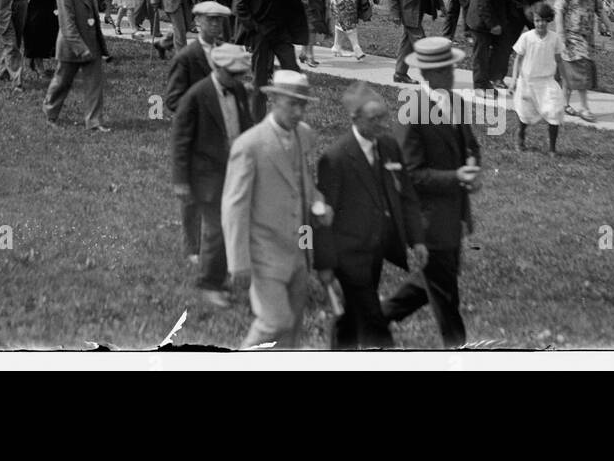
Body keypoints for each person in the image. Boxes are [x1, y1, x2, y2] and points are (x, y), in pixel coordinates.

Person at [383, 37, 480, 349]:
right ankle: (459, 350)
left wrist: (472, 167)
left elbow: (470, 146)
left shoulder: (457, 102)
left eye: (450, 67)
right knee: (444, 292)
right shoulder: (411, 114)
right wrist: (456, 176)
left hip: (452, 215)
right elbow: (410, 175)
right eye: (444, 69)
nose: (452, 73)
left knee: (430, 283)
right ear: (427, 74)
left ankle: (369, 319)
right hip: (427, 220)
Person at [221, 70, 328, 350]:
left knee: (292, 327)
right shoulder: (250, 145)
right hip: (263, 252)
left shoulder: (304, 135)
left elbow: (303, 181)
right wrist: (238, 261)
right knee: (275, 321)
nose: (299, 112)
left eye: (303, 105)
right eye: (292, 104)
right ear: (273, 100)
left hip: (297, 252)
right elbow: (234, 207)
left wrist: (317, 203)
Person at [315, 82, 428, 350]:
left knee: (353, 316)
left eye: (384, 117)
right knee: (373, 319)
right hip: (348, 255)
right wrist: (323, 264)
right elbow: (318, 218)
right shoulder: (336, 158)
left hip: (376, 250)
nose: (383, 124)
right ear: (355, 119)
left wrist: (418, 240)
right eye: (374, 119)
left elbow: (407, 196)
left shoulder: (388, 145)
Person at [172, 43, 257, 309]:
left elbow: (246, 127)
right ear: (217, 69)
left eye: (241, 75)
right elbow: (180, 142)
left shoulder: (239, 90)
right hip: (204, 176)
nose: (238, 80)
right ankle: (209, 283)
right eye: (233, 75)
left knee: (236, 224)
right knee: (217, 228)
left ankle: (232, 270)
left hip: (234, 171)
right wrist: (181, 181)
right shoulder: (196, 96)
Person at [235, 0, 307, 120]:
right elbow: (240, 6)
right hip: (261, 35)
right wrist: (254, 28)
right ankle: (256, 119)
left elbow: (292, 3)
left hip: (281, 34)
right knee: (259, 79)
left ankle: (289, 114)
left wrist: (297, 31)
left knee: (292, 71)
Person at [43, 0, 111, 131]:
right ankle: (50, 114)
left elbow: (94, 20)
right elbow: (67, 26)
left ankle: (94, 122)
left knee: (94, 85)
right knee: (62, 82)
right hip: (70, 47)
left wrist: (99, 46)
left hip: (92, 45)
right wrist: (82, 49)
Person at [554, 0, 608, 122]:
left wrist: (609, 26)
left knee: (569, 71)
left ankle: (563, 103)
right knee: (581, 68)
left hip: (587, 35)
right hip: (571, 34)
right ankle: (584, 108)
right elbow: (559, 11)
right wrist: (561, 36)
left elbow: (599, 8)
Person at [512, 2, 563, 153]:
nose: (540, 24)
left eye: (543, 20)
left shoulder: (554, 39)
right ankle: (520, 135)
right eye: (537, 20)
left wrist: (565, 79)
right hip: (528, 82)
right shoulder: (526, 38)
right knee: (525, 114)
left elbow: (559, 60)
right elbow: (518, 59)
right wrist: (514, 79)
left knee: (554, 111)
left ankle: (552, 148)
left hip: (547, 82)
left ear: (548, 20)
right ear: (532, 21)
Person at [166, 0, 232, 116]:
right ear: (198, 21)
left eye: (219, 19)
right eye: (210, 19)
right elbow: (173, 100)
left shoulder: (226, 52)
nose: (215, 24)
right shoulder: (186, 57)